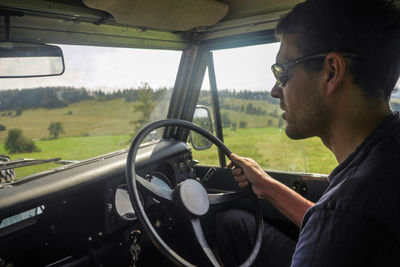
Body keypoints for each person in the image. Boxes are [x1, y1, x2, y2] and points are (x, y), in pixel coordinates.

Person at [216, 0, 400, 266]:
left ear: (331, 72)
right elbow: (331, 217)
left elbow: (338, 219)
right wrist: (266, 185)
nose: (275, 90)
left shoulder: (348, 219)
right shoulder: (384, 157)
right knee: (237, 224)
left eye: (282, 72)